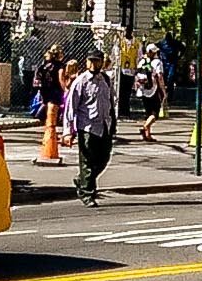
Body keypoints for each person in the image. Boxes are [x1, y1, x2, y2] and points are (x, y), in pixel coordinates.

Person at [65, 49, 119, 206]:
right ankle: (87, 193)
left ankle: (82, 179)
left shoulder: (106, 80)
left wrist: (113, 124)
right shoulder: (81, 82)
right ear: (87, 62)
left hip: (104, 126)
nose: (94, 64)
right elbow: (71, 107)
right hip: (87, 127)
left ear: (102, 63)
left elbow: (110, 103)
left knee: (104, 159)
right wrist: (68, 132)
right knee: (87, 161)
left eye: (97, 61)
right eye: (91, 61)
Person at [132, 47, 164, 142]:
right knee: (155, 113)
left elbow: (136, 74)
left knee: (148, 112)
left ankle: (147, 134)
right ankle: (146, 127)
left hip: (143, 90)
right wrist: (163, 90)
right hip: (153, 89)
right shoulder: (157, 62)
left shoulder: (142, 61)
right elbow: (160, 76)